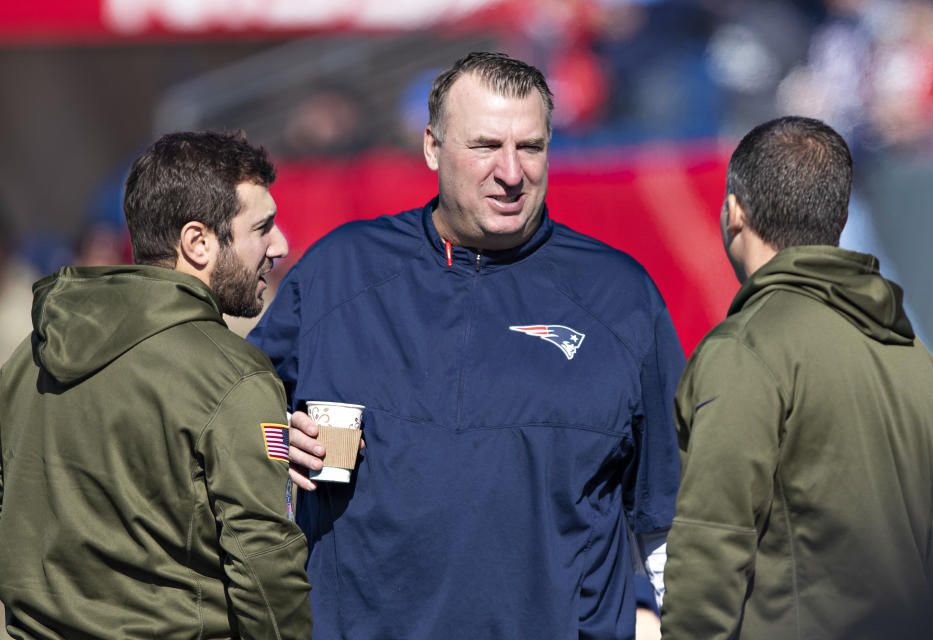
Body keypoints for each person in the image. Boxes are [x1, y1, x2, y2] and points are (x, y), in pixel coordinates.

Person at [248, 52, 685, 639]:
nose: (511, 172)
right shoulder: (341, 271)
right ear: (432, 147)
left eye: (530, 147)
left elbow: (667, 519)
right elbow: (236, 425)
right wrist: (282, 445)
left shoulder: (621, 298)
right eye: (484, 147)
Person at [0, 131, 312, 639]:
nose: (280, 244)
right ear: (198, 243)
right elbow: (266, 562)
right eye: (263, 227)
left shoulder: (31, 355)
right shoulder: (235, 376)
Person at [660, 116, 933, 639]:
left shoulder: (747, 349)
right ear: (838, 219)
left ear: (734, 214)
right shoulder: (916, 361)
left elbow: (711, 543)